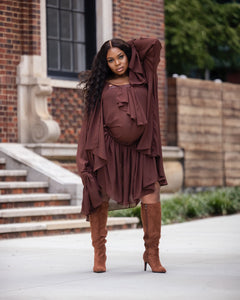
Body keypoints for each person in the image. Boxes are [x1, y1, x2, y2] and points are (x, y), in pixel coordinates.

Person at [77, 37, 168, 273]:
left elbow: (154, 44)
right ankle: (100, 254)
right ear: (104, 64)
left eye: (121, 56)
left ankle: (152, 253)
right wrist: (88, 155)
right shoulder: (100, 86)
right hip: (109, 150)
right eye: (110, 60)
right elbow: (90, 122)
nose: (117, 63)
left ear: (129, 56)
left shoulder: (143, 77)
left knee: (152, 195)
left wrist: (119, 43)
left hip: (141, 149)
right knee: (100, 195)